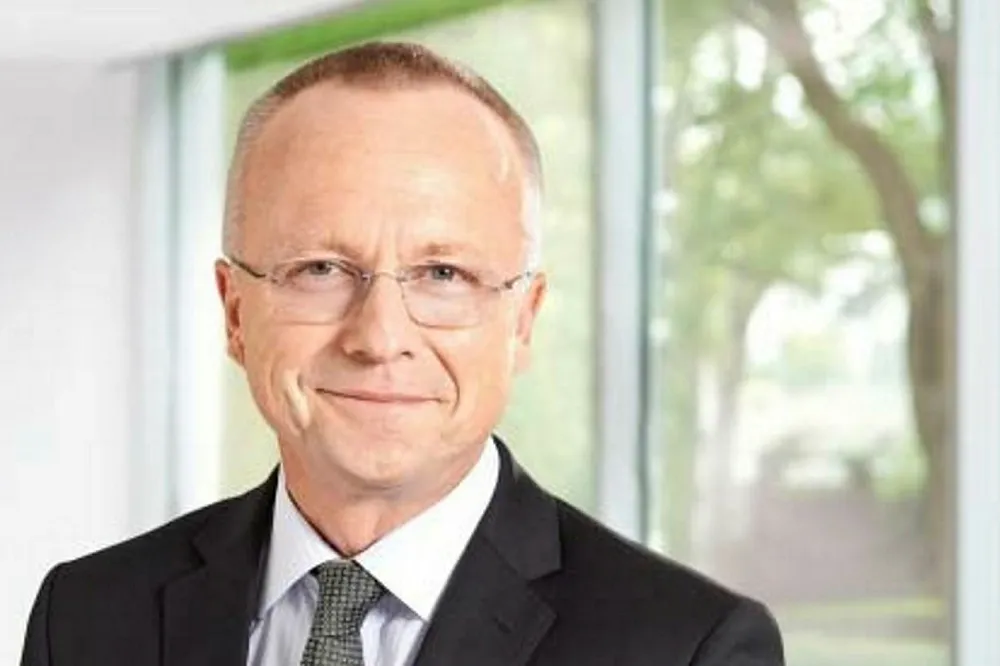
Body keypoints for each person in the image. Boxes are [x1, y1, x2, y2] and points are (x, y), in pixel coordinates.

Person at [20, 41, 784, 666]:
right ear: (235, 312)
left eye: (443, 274)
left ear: (522, 321)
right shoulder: (86, 618)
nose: (380, 337)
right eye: (321, 269)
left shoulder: (689, 649)